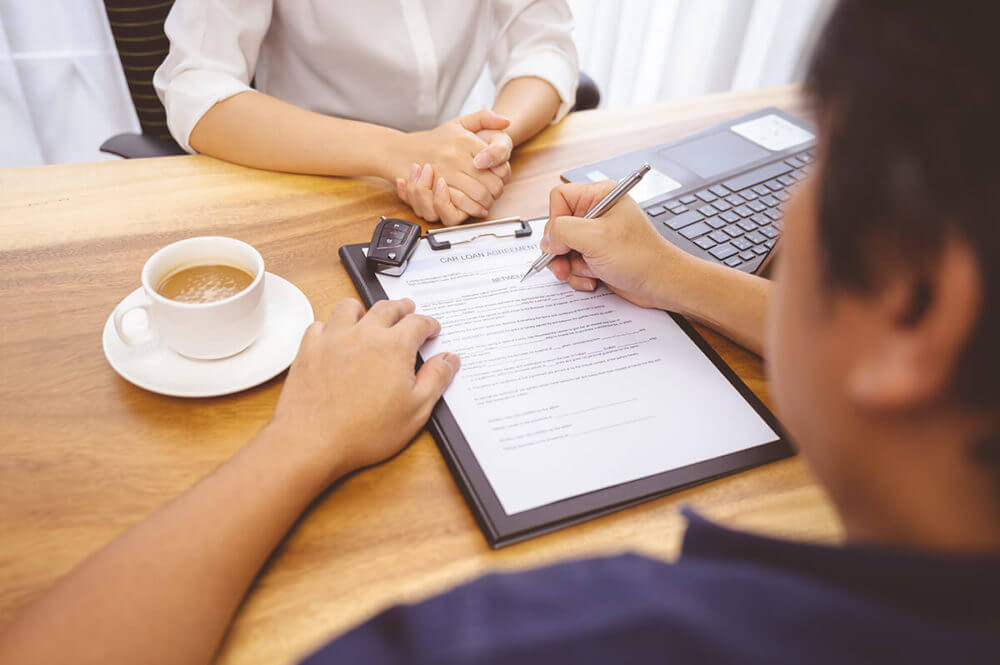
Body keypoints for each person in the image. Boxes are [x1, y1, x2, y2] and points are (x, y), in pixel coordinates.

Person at [2, 1, 998, 663]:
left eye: (815, 170)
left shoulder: (541, 635)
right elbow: (195, 89)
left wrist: (303, 438)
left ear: (914, 305)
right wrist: (676, 275)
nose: (785, 221)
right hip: (331, 190)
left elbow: (545, 49)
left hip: (471, 184)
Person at [153, 0, 578, 226]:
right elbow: (197, 89)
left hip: (454, 177)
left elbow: (543, 47)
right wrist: (399, 152)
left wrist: (488, 147)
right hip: (311, 183)